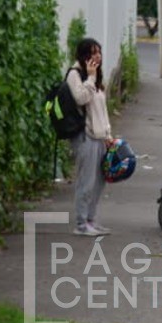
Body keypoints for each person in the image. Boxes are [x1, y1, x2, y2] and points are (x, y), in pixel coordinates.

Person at [67, 37, 113, 236]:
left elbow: (102, 110)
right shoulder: (75, 74)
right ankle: (81, 224)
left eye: (99, 52)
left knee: (99, 181)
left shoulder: (97, 77)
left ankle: (91, 220)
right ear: (84, 55)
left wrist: (108, 135)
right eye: (93, 53)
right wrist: (91, 78)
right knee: (86, 181)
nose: (97, 57)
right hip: (85, 136)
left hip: (100, 136)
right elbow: (80, 98)